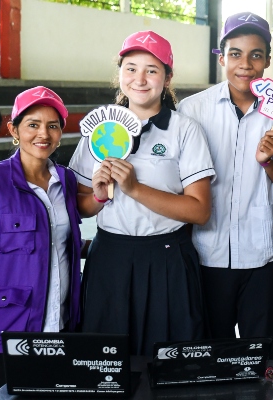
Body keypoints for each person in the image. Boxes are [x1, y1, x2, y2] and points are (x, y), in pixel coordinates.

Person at [70, 30, 214, 356]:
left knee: (167, 362)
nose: (140, 78)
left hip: (168, 259)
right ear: (119, 73)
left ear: (167, 77)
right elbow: (81, 207)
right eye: (131, 68)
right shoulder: (99, 131)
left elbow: (200, 211)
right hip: (110, 258)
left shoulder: (184, 130)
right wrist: (99, 196)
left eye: (152, 69)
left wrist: (135, 189)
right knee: (107, 363)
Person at [178, 12, 273, 341]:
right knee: (211, 354)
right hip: (207, 253)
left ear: (267, 60)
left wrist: (270, 163)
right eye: (235, 53)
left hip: (265, 254)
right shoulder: (192, 111)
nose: (245, 64)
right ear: (221, 57)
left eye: (256, 54)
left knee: (259, 354)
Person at [0, 86, 81, 399]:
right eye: (32, 124)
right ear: (14, 129)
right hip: (1, 332)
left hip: (57, 329)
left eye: (52, 126)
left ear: (62, 132)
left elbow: (58, 243)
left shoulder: (67, 182)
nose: (43, 134)